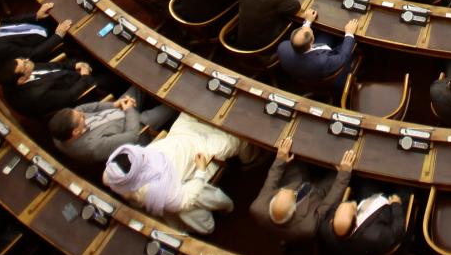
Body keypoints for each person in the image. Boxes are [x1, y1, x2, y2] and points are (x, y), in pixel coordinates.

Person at [103, 113, 249, 234]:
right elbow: (186, 199)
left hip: (179, 135)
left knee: (191, 106)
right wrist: (200, 171)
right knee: (239, 138)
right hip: (202, 150)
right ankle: (250, 160)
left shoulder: (111, 174)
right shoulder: (160, 192)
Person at [251, 136, 356, 244]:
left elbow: (271, 181)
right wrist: (344, 174)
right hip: (319, 192)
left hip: (294, 180)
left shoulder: (257, 206)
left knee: (296, 148)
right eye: (292, 194)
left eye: (283, 190)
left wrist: (280, 159)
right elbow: (328, 204)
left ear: (272, 201)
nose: (290, 190)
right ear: (294, 209)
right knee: (342, 172)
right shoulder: (307, 227)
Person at [50, 94, 176, 166]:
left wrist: (114, 104)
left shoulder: (60, 133)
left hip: (118, 108)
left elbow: (81, 108)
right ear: (76, 132)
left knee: (138, 80)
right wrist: (129, 110)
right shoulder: (92, 147)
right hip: (138, 125)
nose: (81, 114)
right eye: (80, 118)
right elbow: (131, 136)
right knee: (172, 104)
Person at [318, 183, 410, 255]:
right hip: (389, 208)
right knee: (407, 186)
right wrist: (396, 205)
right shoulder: (374, 236)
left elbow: (333, 209)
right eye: (353, 207)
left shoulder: (325, 229)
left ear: (332, 221)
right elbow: (397, 231)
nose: (353, 203)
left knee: (367, 179)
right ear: (356, 220)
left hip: (368, 199)